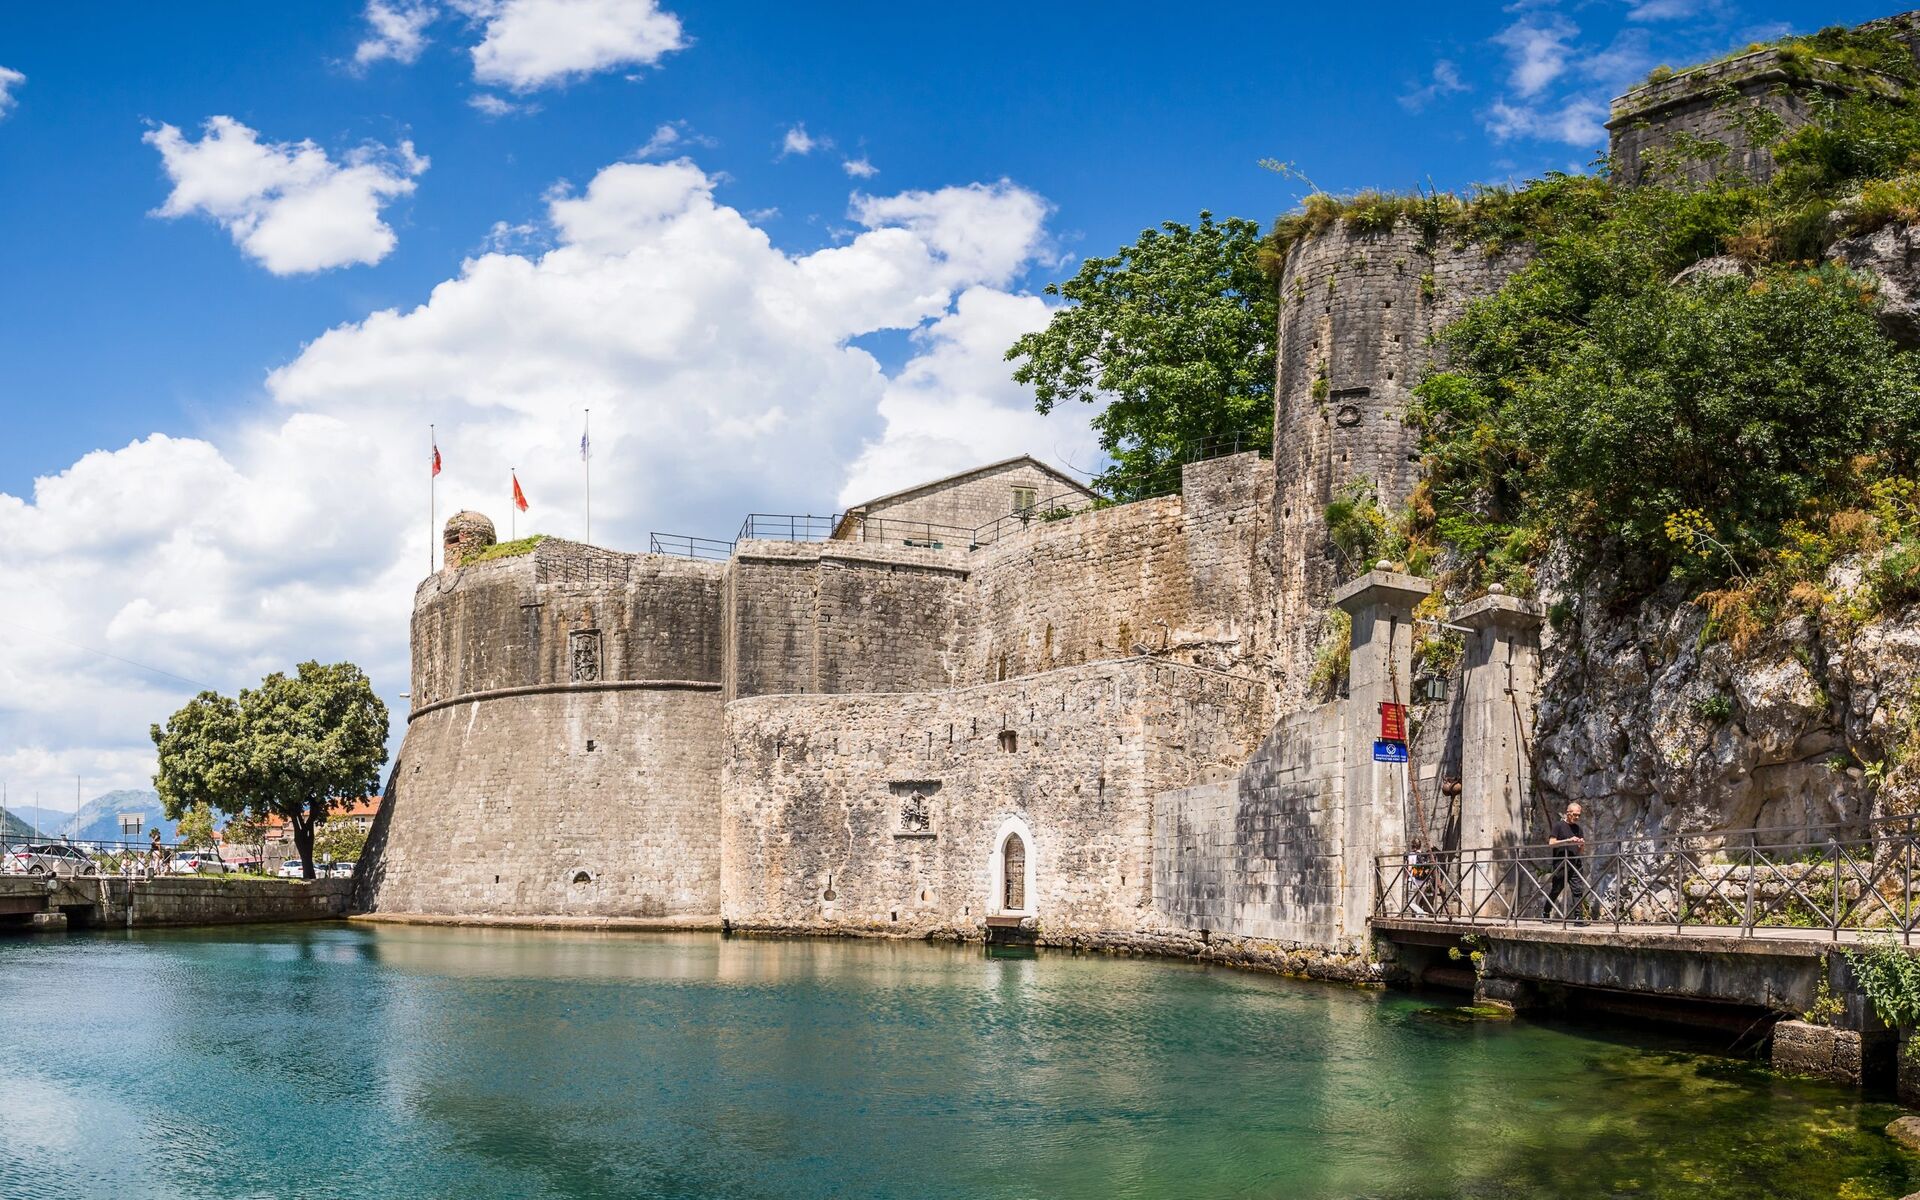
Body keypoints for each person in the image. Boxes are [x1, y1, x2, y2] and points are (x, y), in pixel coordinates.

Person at [1541, 802, 1586, 920]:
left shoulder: (1578, 828)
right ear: (1568, 813)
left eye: (1579, 815)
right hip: (1561, 864)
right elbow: (1551, 843)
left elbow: (1580, 850)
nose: (1577, 817)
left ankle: (1578, 918)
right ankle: (1546, 912)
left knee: (1578, 890)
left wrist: (1581, 844)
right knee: (1556, 890)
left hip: (1575, 863)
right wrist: (1568, 840)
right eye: (1575, 815)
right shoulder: (1558, 826)